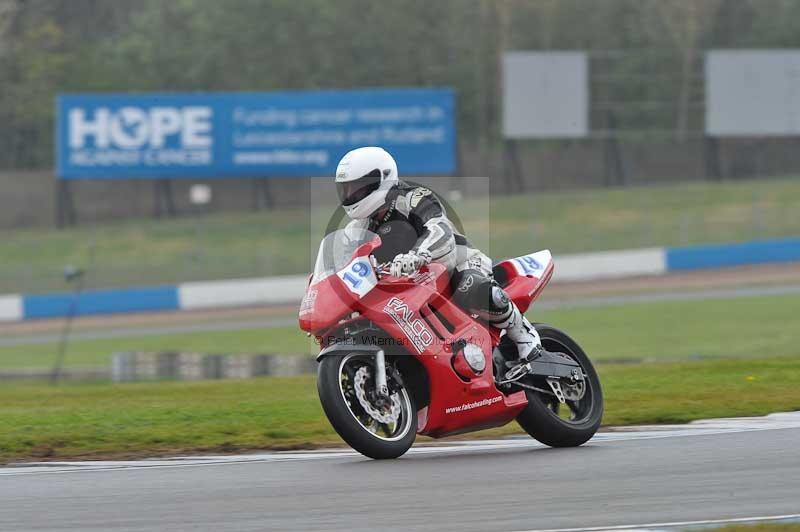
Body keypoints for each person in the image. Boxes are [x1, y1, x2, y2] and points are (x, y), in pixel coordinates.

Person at [335, 146, 545, 366]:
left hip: (454, 262)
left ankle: (523, 336)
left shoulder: (413, 197)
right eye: (346, 189)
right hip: (405, 286)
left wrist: (416, 255)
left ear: (383, 179)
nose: (351, 195)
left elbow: (440, 228)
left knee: (471, 286)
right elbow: (348, 267)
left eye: (358, 188)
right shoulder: (355, 230)